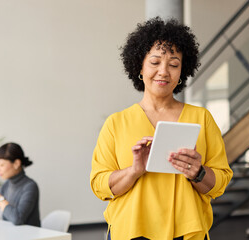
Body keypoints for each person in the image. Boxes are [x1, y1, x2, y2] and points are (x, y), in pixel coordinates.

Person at [90, 17, 233, 240]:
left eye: (173, 64)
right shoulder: (116, 123)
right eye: (155, 62)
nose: (164, 71)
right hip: (131, 232)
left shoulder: (201, 118)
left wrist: (198, 172)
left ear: (182, 71)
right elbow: (100, 185)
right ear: (139, 65)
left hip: (186, 233)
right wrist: (134, 171)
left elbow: (220, 182)